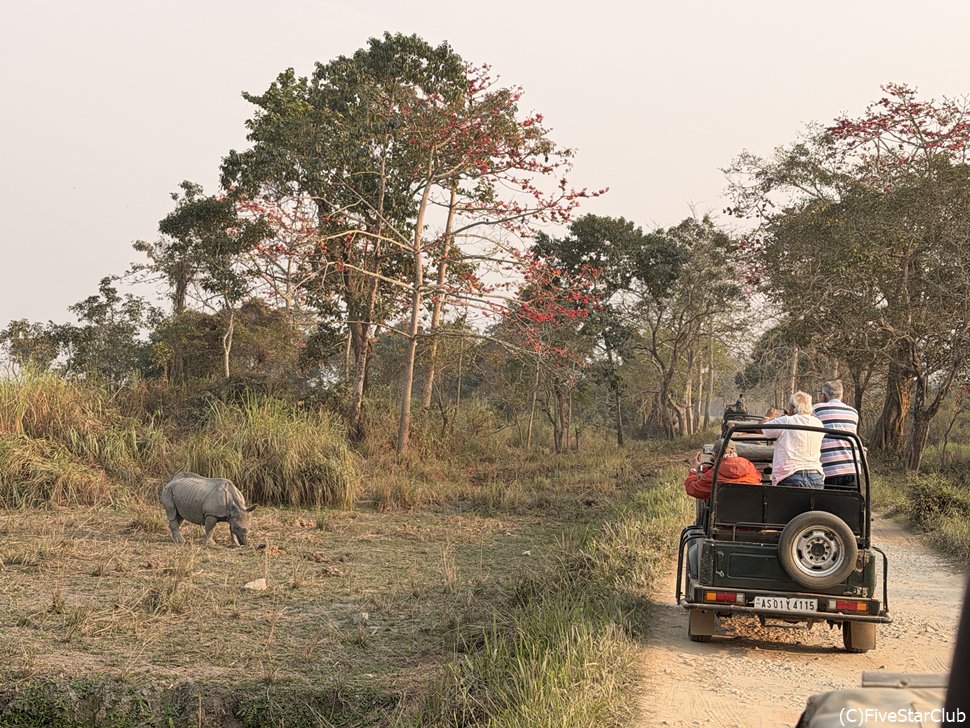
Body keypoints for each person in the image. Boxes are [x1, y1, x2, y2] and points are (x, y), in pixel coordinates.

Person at [762, 391, 825, 488]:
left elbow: (763, 430)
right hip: (816, 475)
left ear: (792, 408)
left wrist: (768, 417)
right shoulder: (818, 423)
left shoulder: (787, 421)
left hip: (790, 475)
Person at [812, 380, 860, 487]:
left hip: (828, 469)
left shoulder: (817, 409)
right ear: (841, 395)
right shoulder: (853, 412)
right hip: (852, 468)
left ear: (824, 396)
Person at [684, 440, 761, 499]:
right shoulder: (750, 466)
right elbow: (758, 477)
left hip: (722, 516)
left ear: (714, 455)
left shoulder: (714, 473)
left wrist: (694, 470)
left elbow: (693, 489)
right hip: (751, 514)